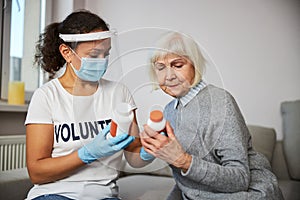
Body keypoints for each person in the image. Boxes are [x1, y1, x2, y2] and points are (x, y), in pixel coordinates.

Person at [140, 31, 284, 199]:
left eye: (178, 65)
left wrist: (183, 160)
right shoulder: (170, 111)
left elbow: (240, 179)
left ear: (195, 65)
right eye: (161, 67)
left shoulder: (220, 102)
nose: (169, 76)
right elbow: (186, 184)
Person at [25, 10, 149, 200]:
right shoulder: (47, 96)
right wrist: (87, 153)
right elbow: (37, 172)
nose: (102, 62)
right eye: (94, 55)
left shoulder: (120, 93)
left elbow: (134, 157)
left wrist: (151, 149)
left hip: (104, 196)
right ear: (67, 52)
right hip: (54, 194)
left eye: (106, 54)